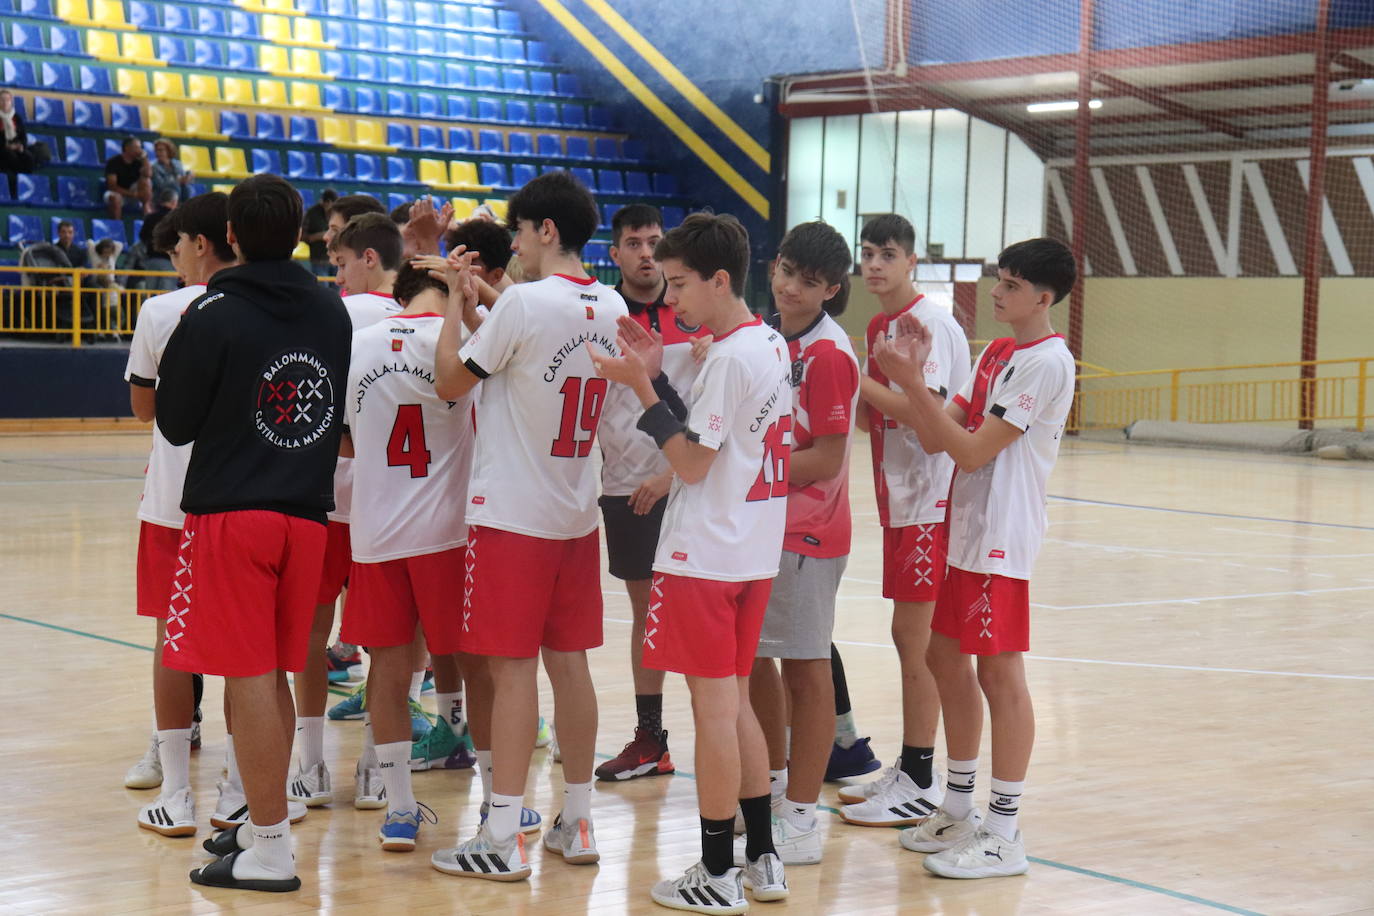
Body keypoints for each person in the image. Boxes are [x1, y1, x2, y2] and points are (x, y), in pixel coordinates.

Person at [589, 212, 793, 913]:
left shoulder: (731, 356)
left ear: (719, 280)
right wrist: (660, 381)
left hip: (706, 554)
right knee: (733, 701)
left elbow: (690, 462)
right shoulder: (766, 342)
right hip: (752, 548)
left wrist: (642, 387)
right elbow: (719, 436)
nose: (670, 300)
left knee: (713, 711)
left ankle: (715, 870)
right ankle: (762, 856)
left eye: (679, 285)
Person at [428, 170, 626, 882]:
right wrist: (486, 304)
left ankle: (504, 833)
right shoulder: (609, 303)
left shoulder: (526, 303)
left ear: (546, 230)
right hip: (576, 514)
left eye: (518, 231)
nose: (511, 245)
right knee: (569, 667)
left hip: (513, 517)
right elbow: (530, 359)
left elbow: (454, 380)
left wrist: (455, 303)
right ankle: (577, 819)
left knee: (511, 675)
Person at [155, 174, 351, 893]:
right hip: (307, 517)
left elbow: (173, 422)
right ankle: (259, 824)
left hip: (233, 515)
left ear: (231, 235)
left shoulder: (212, 312)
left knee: (249, 677)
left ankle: (269, 845)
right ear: (300, 232)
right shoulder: (332, 311)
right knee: (271, 674)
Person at [868, 237, 1077, 880]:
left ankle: (1005, 828)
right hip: (964, 530)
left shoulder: (1046, 363)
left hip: (999, 537)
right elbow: (936, 436)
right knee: (940, 655)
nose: (997, 292)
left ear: (1041, 298)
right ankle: (958, 803)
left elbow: (973, 451)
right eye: (999, 279)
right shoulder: (995, 353)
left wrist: (908, 384)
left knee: (1000, 675)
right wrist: (899, 383)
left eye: (1011, 285)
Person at [338, 261, 479, 852]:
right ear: (454, 295)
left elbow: (341, 440)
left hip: (375, 534)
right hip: (447, 533)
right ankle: (501, 799)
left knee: (387, 672)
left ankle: (398, 809)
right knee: (483, 667)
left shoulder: (357, 344)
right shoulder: (466, 343)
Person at [838, 213, 971, 829]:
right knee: (907, 636)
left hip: (931, 498)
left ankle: (921, 774)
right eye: (867, 252)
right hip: (898, 498)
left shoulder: (930, 324)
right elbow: (876, 416)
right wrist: (860, 396)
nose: (874, 263)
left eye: (887, 253)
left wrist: (858, 380)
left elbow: (929, 416)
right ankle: (911, 764)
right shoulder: (877, 326)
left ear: (911, 260)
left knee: (914, 638)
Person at [739, 221, 857, 868]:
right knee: (757, 659)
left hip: (809, 530)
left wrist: (749, 460)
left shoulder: (831, 353)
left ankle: (805, 817)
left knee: (807, 669)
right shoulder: (769, 335)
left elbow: (828, 458)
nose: (789, 287)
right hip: (763, 524)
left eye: (808, 282)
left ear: (832, 290)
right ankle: (775, 792)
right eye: (785, 271)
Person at [124, 195, 230, 828]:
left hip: (177, 502)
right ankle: (247, 781)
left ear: (197, 242)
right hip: (251, 494)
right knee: (259, 645)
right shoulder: (278, 307)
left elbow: (144, 410)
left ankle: (176, 781)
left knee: (171, 634)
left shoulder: (162, 310)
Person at [593, 203, 703, 782]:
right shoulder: (601, 315)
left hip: (689, 482)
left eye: (652, 242)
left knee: (693, 615)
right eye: (632, 243)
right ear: (614, 253)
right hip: (626, 487)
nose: (643, 252)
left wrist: (673, 474)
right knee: (647, 614)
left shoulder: (694, 312)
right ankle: (651, 739)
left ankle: (732, 737)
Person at [105, 136, 152, 219]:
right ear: (127, 148)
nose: (139, 150)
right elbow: (112, 186)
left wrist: (144, 158)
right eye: (137, 147)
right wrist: (133, 194)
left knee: (147, 181)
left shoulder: (139, 161)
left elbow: (148, 174)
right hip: (118, 193)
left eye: (140, 147)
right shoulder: (113, 162)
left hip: (134, 193)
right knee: (115, 198)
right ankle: (117, 226)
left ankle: (147, 218)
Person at [0, 89, 33, 197]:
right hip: (2, 148)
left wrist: (20, 146)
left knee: (28, 157)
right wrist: (7, 146)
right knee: (10, 156)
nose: (5, 103)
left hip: (16, 146)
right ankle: (13, 190)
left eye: (7, 100)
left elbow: (23, 136)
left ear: (11, 102)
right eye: (2, 100)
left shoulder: (16, 117)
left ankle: (22, 189)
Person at [303, 188, 338, 276]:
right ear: (325, 202)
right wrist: (317, 236)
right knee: (323, 287)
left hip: (336, 259)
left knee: (337, 289)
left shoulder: (338, 212)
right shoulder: (312, 213)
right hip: (318, 260)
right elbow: (302, 236)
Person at [150, 138, 193, 204]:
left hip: (179, 191)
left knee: (186, 188)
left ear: (168, 150)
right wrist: (177, 181)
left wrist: (188, 176)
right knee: (176, 187)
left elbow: (183, 178)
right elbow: (160, 185)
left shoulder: (178, 163)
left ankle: (185, 208)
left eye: (161, 150)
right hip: (161, 194)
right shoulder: (154, 166)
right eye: (156, 151)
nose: (158, 153)